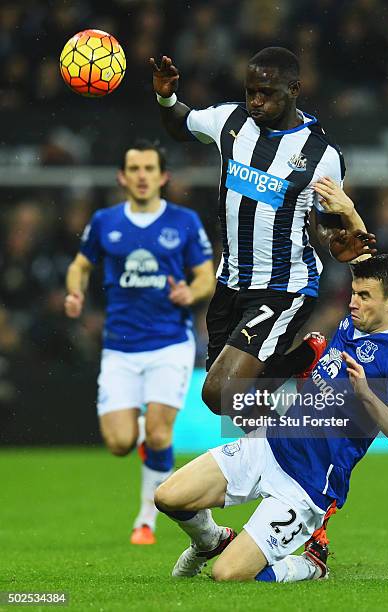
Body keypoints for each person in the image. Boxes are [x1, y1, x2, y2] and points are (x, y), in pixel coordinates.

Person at [154, 252, 388, 582]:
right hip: (271, 443)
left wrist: (366, 394)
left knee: (228, 575)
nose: (353, 302)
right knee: (167, 497)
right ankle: (211, 540)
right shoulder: (354, 323)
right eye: (354, 292)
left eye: (364, 296)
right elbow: (362, 250)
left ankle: (312, 565)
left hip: (308, 484)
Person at [149, 46, 376, 415]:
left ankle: (305, 356)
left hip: (283, 287)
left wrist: (339, 244)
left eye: (266, 93)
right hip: (231, 283)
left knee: (219, 392)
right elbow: (180, 124)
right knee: (236, 405)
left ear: (294, 89)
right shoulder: (229, 121)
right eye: (250, 91)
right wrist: (165, 95)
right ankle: (276, 464)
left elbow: (325, 227)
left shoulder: (322, 156)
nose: (256, 101)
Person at [64, 140, 214, 545]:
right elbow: (80, 266)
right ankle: (143, 427)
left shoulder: (183, 221)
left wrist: (190, 292)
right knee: (119, 443)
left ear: (163, 176)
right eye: (134, 169)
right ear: (122, 177)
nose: (142, 175)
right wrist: (76, 292)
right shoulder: (105, 221)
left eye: (150, 168)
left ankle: (146, 517)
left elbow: (206, 275)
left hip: (169, 343)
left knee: (163, 436)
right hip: (120, 347)